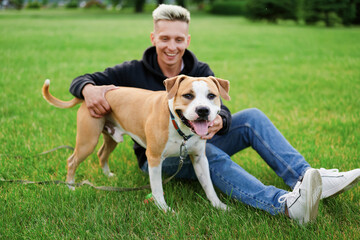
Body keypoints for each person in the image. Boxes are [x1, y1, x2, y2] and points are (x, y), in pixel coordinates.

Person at [69, 4, 360, 224]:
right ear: (153, 37)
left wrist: (222, 119)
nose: (172, 46)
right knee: (212, 156)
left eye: (179, 39)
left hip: (198, 135)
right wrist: (88, 88)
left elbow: (224, 109)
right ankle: (284, 204)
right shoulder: (130, 71)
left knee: (253, 117)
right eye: (165, 38)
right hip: (159, 154)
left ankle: (309, 177)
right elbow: (81, 80)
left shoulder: (201, 72)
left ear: (188, 39)